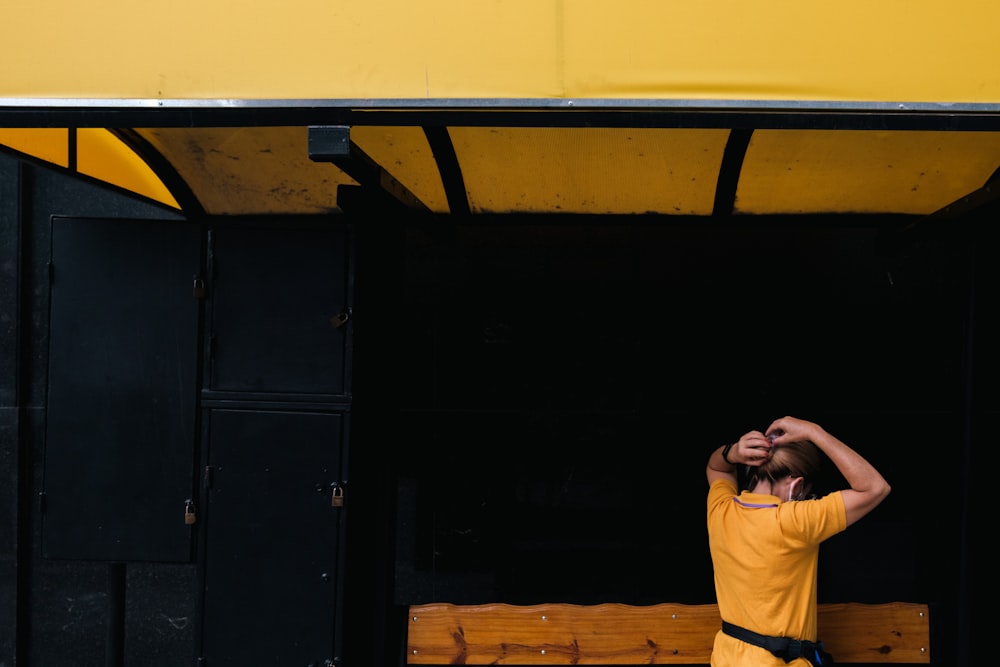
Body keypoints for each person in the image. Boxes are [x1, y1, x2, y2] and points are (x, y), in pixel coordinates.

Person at [705, 416, 891, 667]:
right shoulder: (796, 522)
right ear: (797, 487)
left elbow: (717, 468)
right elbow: (874, 488)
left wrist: (733, 452)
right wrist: (816, 432)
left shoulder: (721, 510)